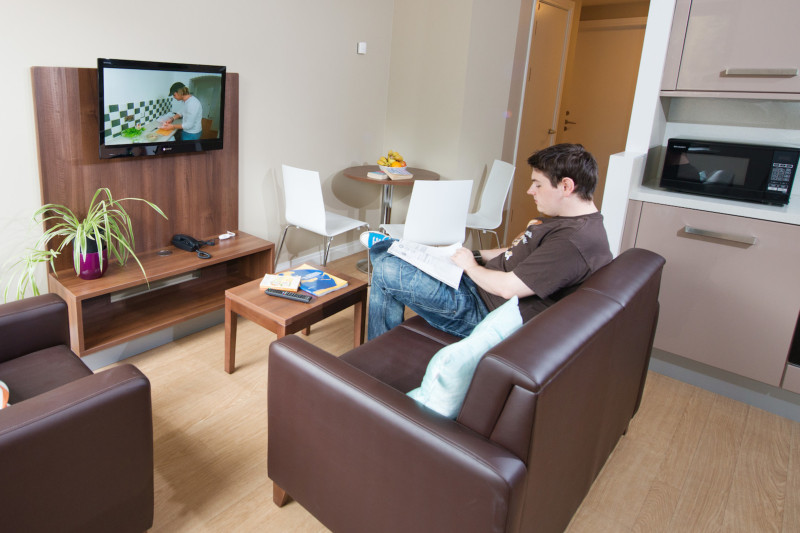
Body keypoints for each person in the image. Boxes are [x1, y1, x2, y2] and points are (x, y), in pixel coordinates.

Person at [364, 143, 612, 341]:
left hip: (481, 310)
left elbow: (509, 288)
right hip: (477, 286)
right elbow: (514, 252)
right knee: (394, 252)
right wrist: (474, 254)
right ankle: (393, 249)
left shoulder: (572, 242)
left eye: (538, 184)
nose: (530, 191)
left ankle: (375, 353)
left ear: (566, 186)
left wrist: (471, 266)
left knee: (386, 269)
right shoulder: (568, 222)